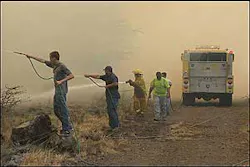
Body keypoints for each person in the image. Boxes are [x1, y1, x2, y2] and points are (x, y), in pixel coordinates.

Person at [25, 51, 75, 136]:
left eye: (50, 58)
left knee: (63, 109)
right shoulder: (54, 65)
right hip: (57, 91)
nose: (49, 59)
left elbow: (71, 75)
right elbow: (42, 60)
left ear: (54, 58)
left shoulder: (61, 66)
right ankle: (65, 125)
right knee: (56, 110)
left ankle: (67, 128)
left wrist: (61, 81)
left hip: (61, 91)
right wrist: (31, 56)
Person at [84, 66, 120, 131]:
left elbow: (115, 83)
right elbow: (98, 76)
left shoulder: (113, 76)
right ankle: (112, 126)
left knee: (112, 110)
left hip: (114, 96)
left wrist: (107, 86)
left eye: (106, 71)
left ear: (108, 71)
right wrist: (89, 75)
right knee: (109, 110)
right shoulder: (106, 76)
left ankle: (116, 126)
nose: (105, 72)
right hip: (109, 96)